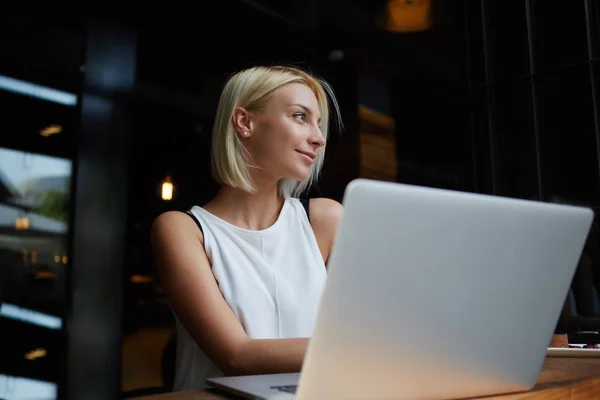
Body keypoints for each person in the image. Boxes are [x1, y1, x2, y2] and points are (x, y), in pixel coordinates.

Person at [151, 65, 345, 391]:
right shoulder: (182, 230)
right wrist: (367, 348)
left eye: (319, 123)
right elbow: (237, 356)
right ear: (244, 122)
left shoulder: (325, 221)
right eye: (300, 116)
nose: (318, 137)